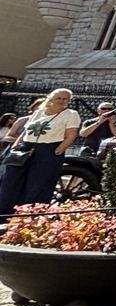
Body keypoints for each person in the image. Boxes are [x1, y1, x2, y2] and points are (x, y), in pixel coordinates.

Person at [0, 89, 81, 223]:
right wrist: (17, 143)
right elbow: (25, 131)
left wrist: (59, 149)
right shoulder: (38, 112)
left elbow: (71, 135)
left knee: (37, 184)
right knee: (11, 181)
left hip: (48, 150)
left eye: (66, 99)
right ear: (50, 98)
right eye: (59, 98)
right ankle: (5, 215)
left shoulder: (71, 114)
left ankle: (28, 218)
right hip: (25, 148)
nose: (62, 101)